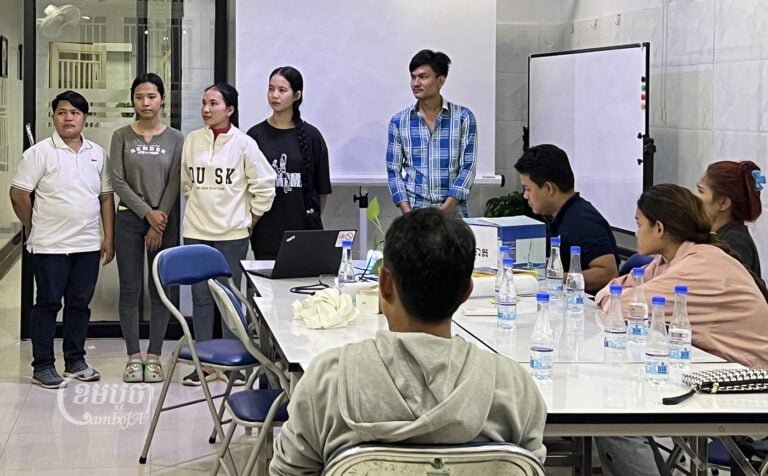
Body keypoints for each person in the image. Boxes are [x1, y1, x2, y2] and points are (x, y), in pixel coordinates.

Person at [270, 208, 547, 475]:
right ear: (466, 292)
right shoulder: (514, 388)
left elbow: (288, 471)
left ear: (385, 285)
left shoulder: (327, 381)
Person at [596, 183, 768, 368]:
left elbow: (621, 307)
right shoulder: (669, 258)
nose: (637, 233)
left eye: (639, 225)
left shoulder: (699, 265)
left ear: (659, 229)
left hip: (751, 376)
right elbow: (615, 288)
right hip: (719, 365)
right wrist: (611, 296)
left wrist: (611, 298)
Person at [9, 90, 114, 389]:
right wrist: (32, 224)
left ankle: (75, 361)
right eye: (62, 112)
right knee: (47, 304)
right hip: (50, 245)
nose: (68, 117)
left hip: (87, 245)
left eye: (75, 112)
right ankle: (42, 365)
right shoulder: (39, 153)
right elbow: (18, 194)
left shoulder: (97, 153)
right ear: (53, 117)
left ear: (84, 118)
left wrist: (108, 237)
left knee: (80, 305)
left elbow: (106, 197)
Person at [181, 82, 276, 386]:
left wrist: (252, 219)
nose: (206, 110)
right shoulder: (193, 140)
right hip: (196, 230)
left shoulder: (244, 144)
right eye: (204, 103)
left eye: (214, 104)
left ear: (230, 110)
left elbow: (265, 185)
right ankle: (205, 364)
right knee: (200, 298)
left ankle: (235, 363)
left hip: (232, 233)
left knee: (231, 298)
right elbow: (187, 183)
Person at [110, 73, 185, 383]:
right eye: (139, 97)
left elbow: (175, 181)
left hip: (165, 220)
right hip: (129, 217)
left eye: (151, 96)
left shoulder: (177, 138)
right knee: (130, 289)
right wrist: (148, 215)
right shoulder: (121, 136)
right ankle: (132, 357)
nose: (145, 102)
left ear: (162, 99)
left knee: (160, 289)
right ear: (133, 101)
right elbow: (118, 180)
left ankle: (153, 355)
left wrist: (160, 217)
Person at [246, 66, 332, 259]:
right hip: (266, 232)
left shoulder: (312, 137)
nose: (274, 95)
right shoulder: (255, 135)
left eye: (282, 90)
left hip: (303, 231)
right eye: (270, 89)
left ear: (297, 95)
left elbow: (322, 191)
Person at [514, 144, 619, 293]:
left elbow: (608, 273)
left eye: (528, 189)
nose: (525, 196)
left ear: (549, 188)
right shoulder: (563, 215)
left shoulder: (583, 222)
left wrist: (553, 277)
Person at [386, 49, 477, 217]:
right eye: (413, 77)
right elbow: (393, 172)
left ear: (440, 81)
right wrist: (408, 213)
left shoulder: (463, 118)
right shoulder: (399, 122)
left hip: (453, 215)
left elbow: (468, 169)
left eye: (423, 77)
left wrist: (443, 212)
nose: (416, 83)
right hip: (414, 213)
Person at [695, 160, 763, 276]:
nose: (694, 196)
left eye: (701, 191)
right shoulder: (717, 236)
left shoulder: (735, 243)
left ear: (723, 203)